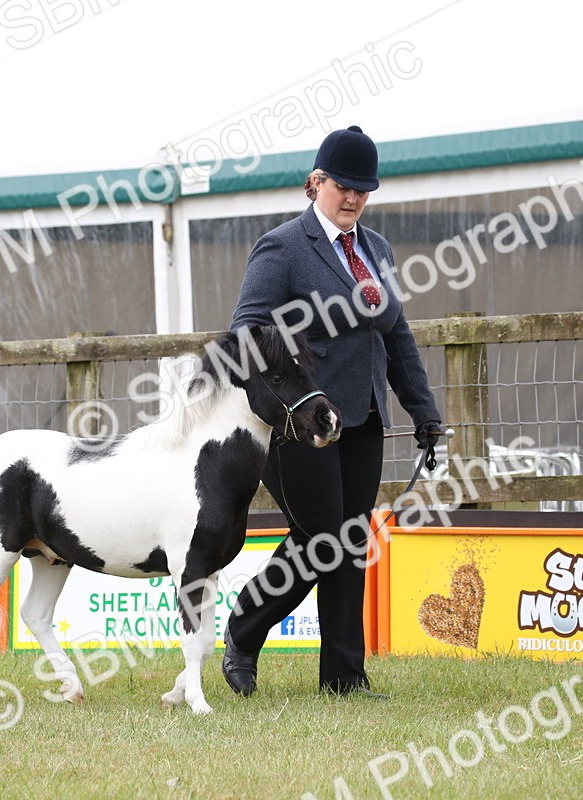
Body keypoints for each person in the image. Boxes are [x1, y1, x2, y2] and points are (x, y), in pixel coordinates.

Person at [222, 125, 445, 698]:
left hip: (364, 416)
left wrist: (423, 410)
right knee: (322, 537)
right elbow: (247, 329)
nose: (352, 199)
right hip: (303, 420)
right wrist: (291, 378)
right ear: (316, 181)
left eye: (363, 191)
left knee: (349, 539)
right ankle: (245, 632)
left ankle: (344, 676)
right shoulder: (283, 247)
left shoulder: (377, 250)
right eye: (343, 186)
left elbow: (396, 337)